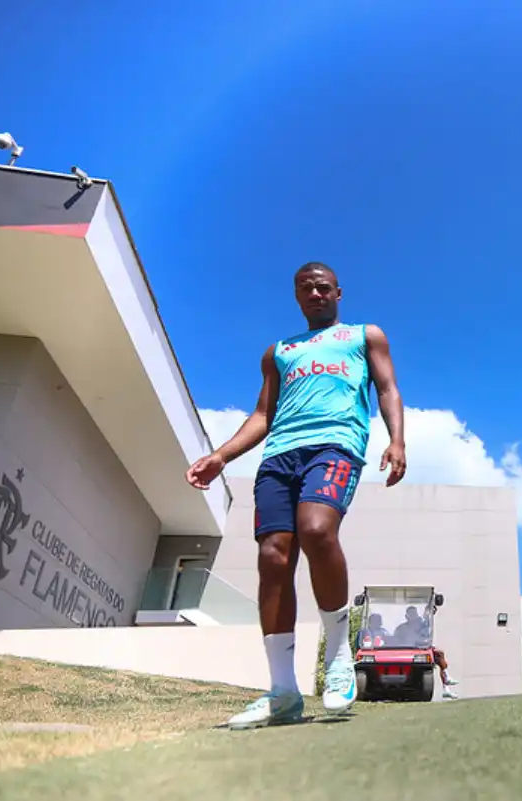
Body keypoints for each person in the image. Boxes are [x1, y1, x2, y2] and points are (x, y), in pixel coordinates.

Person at [185, 261, 407, 728]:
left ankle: (339, 656)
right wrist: (221, 456)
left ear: (338, 292)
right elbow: (263, 413)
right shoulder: (279, 352)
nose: (316, 293)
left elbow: (387, 387)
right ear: (296, 296)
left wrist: (396, 439)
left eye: (323, 287)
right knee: (273, 558)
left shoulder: (364, 335)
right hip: (279, 455)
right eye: (306, 288)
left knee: (317, 530)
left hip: (336, 445)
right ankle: (283, 693)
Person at [393, 605, 460, 699]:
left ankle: (446, 687)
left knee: (439, 655)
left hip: (420, 649)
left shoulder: (422, 624)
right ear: (407, 616)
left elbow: (427, 620)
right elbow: (395, 640)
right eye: (411, 614)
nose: (413, 616)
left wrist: (430, 611)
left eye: (414, 614)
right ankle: (446, 680)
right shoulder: (401, 628)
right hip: (404, 651)